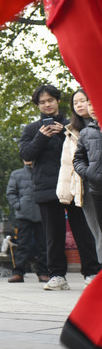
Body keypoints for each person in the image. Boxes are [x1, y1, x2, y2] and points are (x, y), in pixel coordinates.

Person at [19, 84, 101, 290]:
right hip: (46, 188)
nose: (47, 105)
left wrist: (62, 133)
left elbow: (86, 151)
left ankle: (91, 272)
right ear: (37, 105)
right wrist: (42, 135)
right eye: (42, 102)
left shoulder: (73, 124)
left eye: (50, 100)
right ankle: (56, 275)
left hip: (75, 185)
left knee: (84, 232)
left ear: (57, 101)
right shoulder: (31, 129)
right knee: (52, 236)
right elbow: (26, 154)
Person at [60, 89, 102, 260]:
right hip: (87, 185)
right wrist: (89, 173)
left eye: (83, 100)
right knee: (97, 231)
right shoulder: (74, 130)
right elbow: (70, 162)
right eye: (75, 102)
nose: (80, 105)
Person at [6, 160, 49, 283]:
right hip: (23, 215)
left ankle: (43, 273)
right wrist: (19, 205)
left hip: (41, 213)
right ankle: (18, 273)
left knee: (43, 245)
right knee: (22, 244)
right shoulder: (16, 174)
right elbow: (10, 192)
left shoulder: (42, 172)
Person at [73, 94, 102, 264]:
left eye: (94, 103)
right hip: (97, 189)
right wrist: (88, 173)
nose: (91, 108)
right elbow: (78, 159)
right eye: (88, 104)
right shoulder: (86, 132)